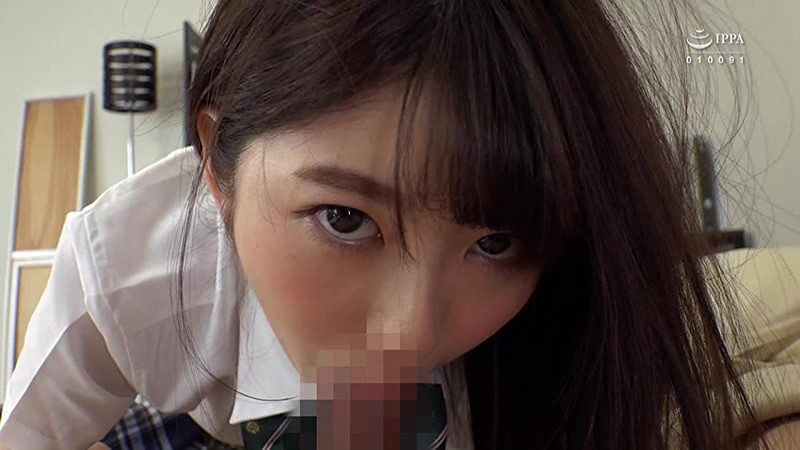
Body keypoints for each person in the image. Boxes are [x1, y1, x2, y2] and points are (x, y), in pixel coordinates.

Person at [0, 0, 795, 449]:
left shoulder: (526, 345)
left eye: (495, 243)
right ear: (216, 162)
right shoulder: (125, 273)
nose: (411, 332)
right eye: (345, 218)